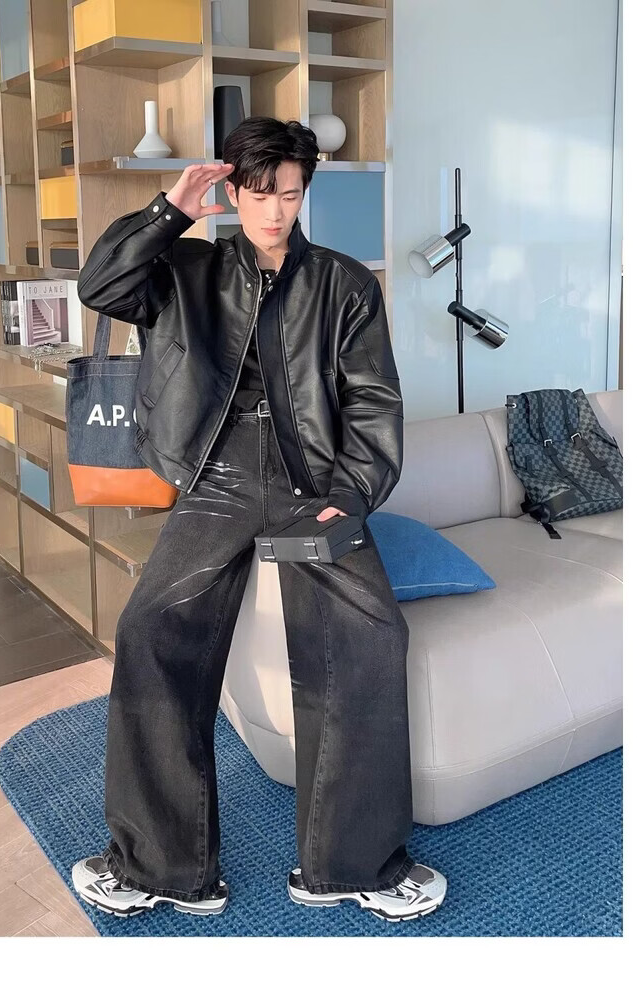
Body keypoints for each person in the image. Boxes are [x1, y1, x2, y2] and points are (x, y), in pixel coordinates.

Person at [70, 117, 447, 923]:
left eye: (291, 194)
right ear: (234, 191)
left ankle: (351, 865)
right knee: (151, 631)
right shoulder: (187, 270)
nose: (275, 211)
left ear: (306, 193)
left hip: (317, 483)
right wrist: (168, 212)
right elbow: (99, 286)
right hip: (218, 478)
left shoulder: (345, 283)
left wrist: (354, 490)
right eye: (260, 192)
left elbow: (372, 399)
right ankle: (163, 867)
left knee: (370, 634)